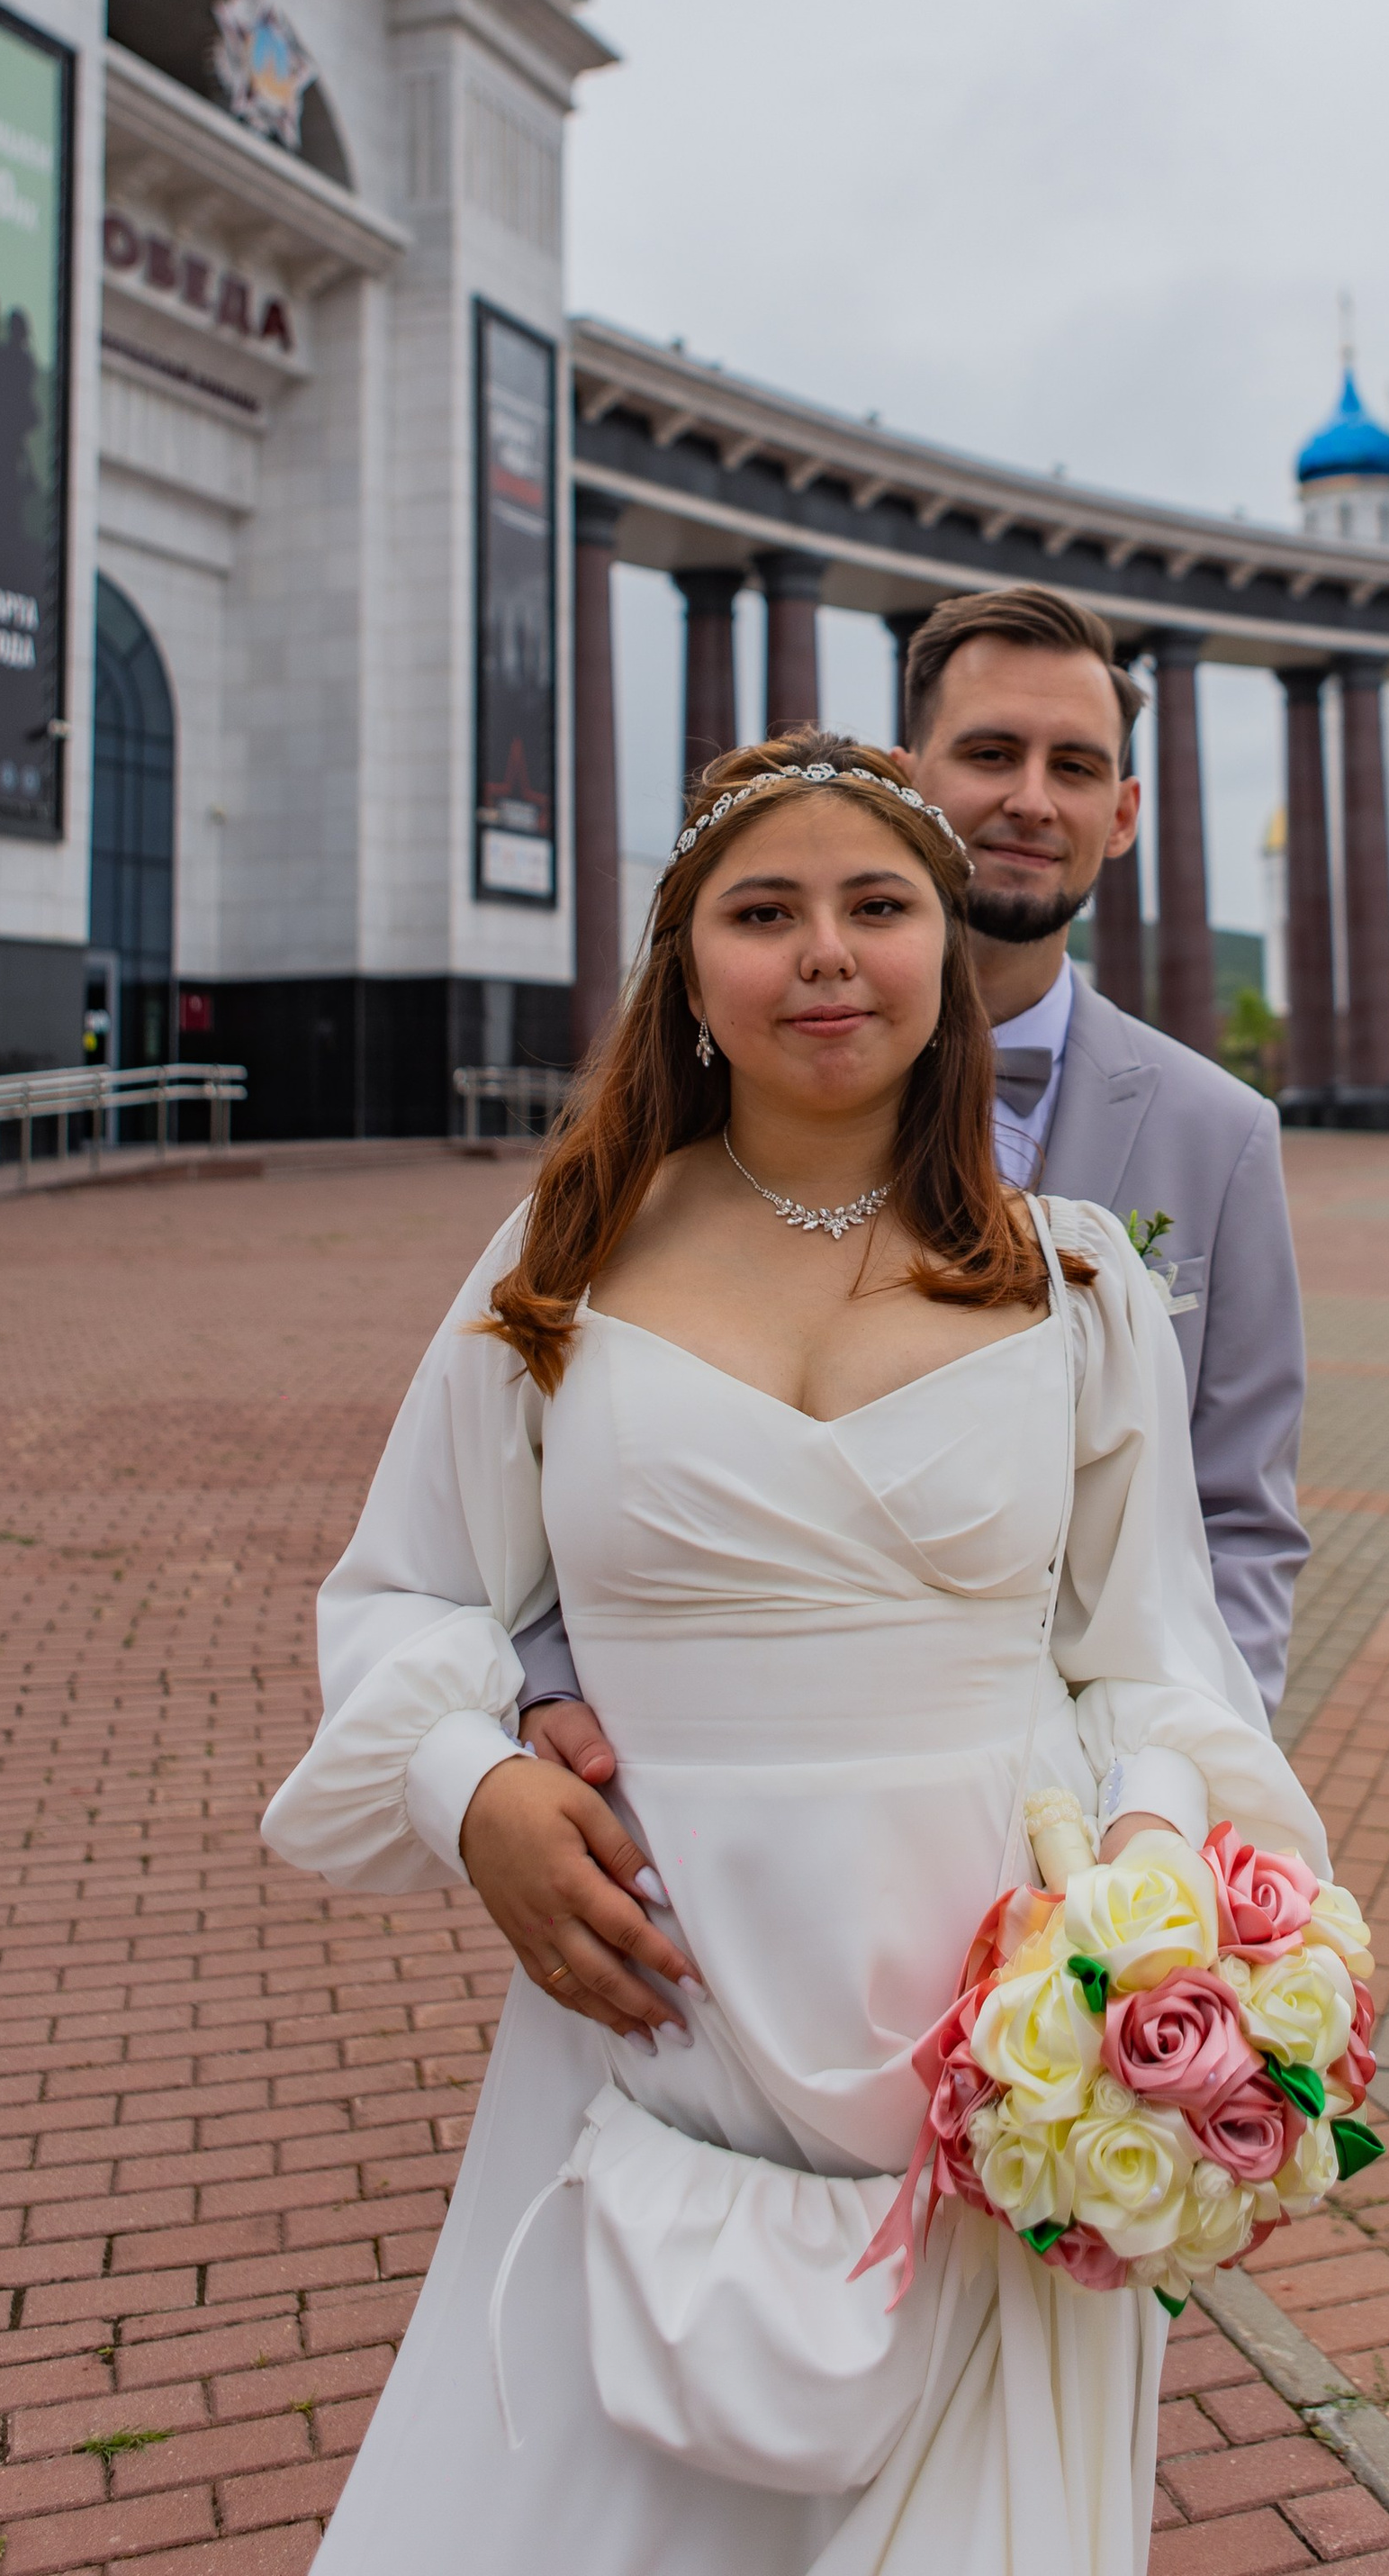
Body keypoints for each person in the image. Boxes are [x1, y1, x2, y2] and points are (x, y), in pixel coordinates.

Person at [261, 735, 1327, 2573]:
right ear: (684, 969)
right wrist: (473, 1785)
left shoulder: (1071, 1287)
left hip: (985, 2041)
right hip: (651, 2008)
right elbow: (406, 1593)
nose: (824, 953)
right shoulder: (559, 1261)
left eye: (875, 907)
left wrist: (1147, 1886)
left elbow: (1156, 1665)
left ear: (943, 951)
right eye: (764, 912)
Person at [500, 590, 1309, 2008]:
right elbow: (543, 1474)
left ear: (1124, 814)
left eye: (1074, 769)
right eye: (990, 753)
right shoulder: (653, 1175)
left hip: (1062, 1859)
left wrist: (1153, 1817)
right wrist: (541, 1705)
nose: (1030, 800)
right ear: (912, 781)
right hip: (694, 1853)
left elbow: (1235, 1520)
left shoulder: (1218, 1133)